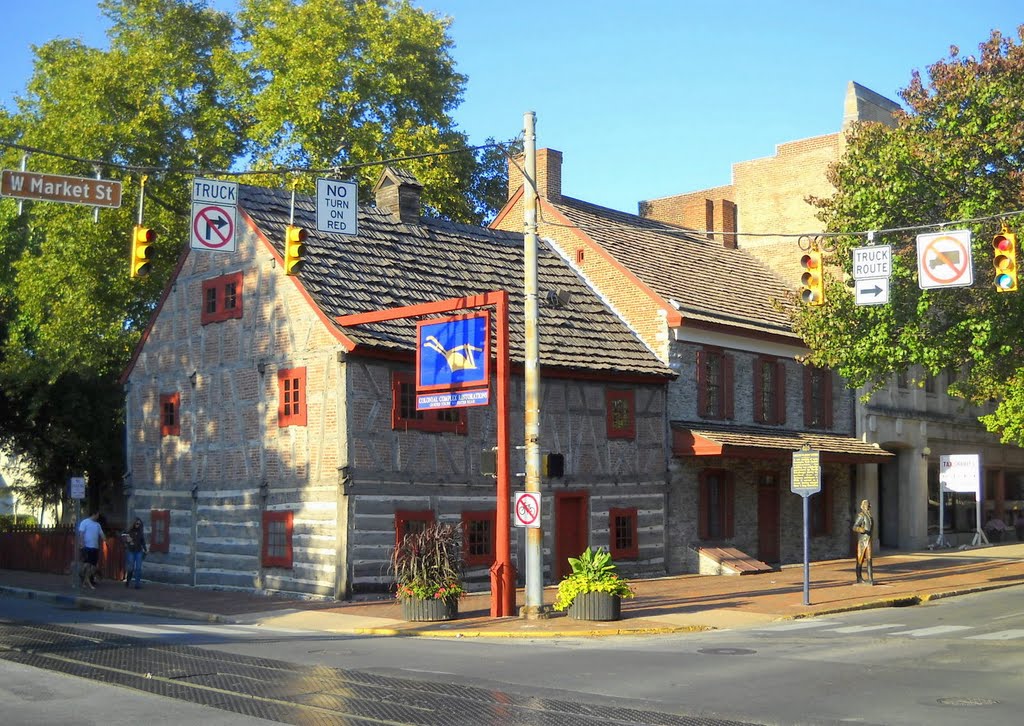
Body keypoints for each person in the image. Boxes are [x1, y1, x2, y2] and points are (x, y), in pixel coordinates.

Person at [77, 511, 105, 589]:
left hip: (95, 547)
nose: (98, 517)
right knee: (87, 565)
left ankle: (87, 579)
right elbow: (81, 533)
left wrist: (105, 539)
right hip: (87, 547)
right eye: (97, 515)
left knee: (93, 566)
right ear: (93, 514)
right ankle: (85, 580)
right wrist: (81, 543)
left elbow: (101, 533)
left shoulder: (97, 524)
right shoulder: (85, 522)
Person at [852, 499, 874, 585]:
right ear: (863, 506)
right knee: (860, 559)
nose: (868, 506)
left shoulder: (870, 516)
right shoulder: (861, 515)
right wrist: (861, 529)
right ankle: (859, 577)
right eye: (866, 505)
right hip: (862, 540)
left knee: (869, 559)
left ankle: (870, 579)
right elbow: (854, 527)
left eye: (868, 505)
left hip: (869, 540)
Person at [122, 517, 148, 589]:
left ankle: (137, 584)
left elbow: (142, 540)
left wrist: (145, 549)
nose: (138, 525)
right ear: (133, 523)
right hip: (131, 551)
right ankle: (128, 580)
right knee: (131, 568)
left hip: (139, 551)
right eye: (137, 523)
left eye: (139, 524)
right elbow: (122, 536)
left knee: (138, 568)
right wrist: (128, 541)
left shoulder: (140, 531)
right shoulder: (128, 530)